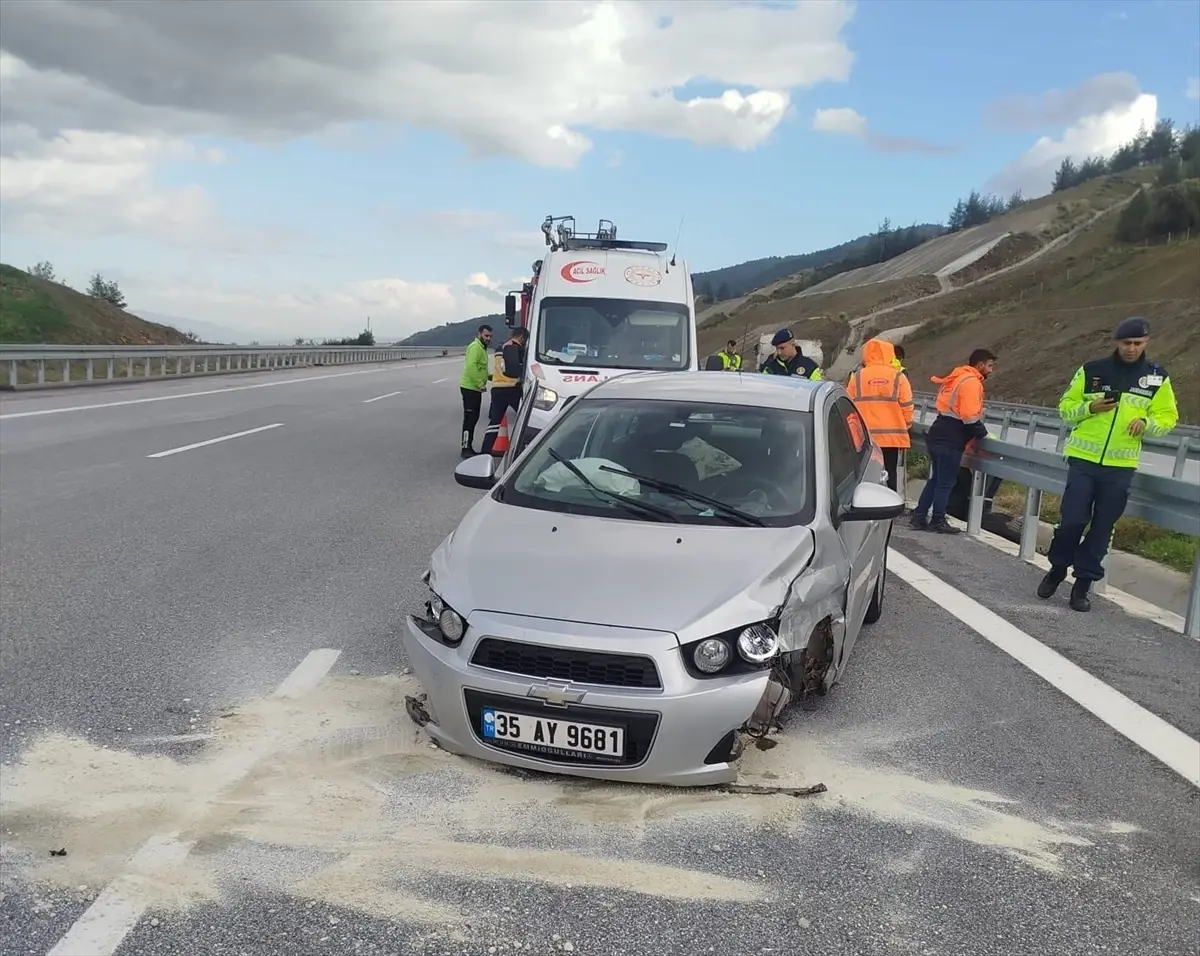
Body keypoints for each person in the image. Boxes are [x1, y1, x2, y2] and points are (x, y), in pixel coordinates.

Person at [1037, 317, 1179, 611]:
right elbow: (1065, 408)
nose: (1131, 348)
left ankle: (1083, 584)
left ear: (1146, 343)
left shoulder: (1156, 378)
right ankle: (1058, 568)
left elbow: (1168, 417)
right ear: (1116, 342)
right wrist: (1090, 407)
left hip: (1120, 465)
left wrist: (1147, 422)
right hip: (1083, 460)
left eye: (1137, 343)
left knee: (1102, 527)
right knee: (1072, 519)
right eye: (1127, 343)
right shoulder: (1092, 370)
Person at [909, 348, 996, 534]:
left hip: (939, 430)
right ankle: (938, 520)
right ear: (980, 364)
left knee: (936, 479)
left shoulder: (957, 378)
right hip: (951, 436)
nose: (991, 370)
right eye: (989, 366)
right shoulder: (972, 382)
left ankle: (919, 516)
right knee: (946, 482)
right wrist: (983, 434)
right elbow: (969, 416)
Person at [846, 338, 913, 491]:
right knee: (890, 472)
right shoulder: (898, 376)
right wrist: (906, 426)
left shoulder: (857, 377)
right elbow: (907, 406)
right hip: (891, 438)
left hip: (865, 438)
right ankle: (890, 502)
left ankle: (864, 502)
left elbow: (849, 406)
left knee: (865, 475)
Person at [481, 326, 529, 456]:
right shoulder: (516, 348)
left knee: (494, 422)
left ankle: (485, 451)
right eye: (525, 340)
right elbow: (516, 369)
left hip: (497, 388)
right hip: (512, 388)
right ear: (522, 337)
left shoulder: (500, 348)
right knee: (526, 418)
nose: (524, 343)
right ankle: (524, 450)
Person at [459, 323, 492, 458]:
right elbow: (471, 366)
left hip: (475, 389)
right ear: (479, 334)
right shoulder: (475, 347)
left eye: (490, 336)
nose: (488, 338)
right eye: (486, 335)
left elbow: (481, 368)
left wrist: (490, 377)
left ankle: (468, 446)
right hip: (470, 388)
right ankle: (465, 447)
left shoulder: (482, 348)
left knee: (474, 418)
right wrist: (479, 383)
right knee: (469, 419)